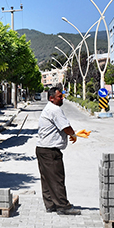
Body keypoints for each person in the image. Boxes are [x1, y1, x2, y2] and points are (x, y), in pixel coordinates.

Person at [35, 87, 80, 216]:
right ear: (51, 98)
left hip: (43, 149)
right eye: (59, 97)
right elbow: (66, 127)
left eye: (62, 96)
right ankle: (62, 206)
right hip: (50, 150)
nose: (62, 99)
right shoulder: (55, 110)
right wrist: (74, 135)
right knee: (56, 178)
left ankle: (50, 204)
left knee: (47, 178)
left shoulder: (49, 109)